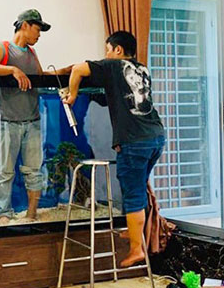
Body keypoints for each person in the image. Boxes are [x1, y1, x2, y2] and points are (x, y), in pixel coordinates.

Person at [63, 31, 165, 267]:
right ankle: (133, 230)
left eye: (108, 50)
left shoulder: (112, 65)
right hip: (156, 136)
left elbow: (78, 69)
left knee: (133, 192)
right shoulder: (142, 69)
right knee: (137, 185)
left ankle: (136, 249)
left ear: (118, 50)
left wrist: (73, 95)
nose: (106, 55)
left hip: (135, 140)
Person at [0, 9, 69, 222]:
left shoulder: (32, 53)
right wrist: (13, 70)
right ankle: (4, 213)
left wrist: (65, 71)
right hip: (8, 121)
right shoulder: (3, 48)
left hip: (33, 121)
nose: (39, 35)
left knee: (34, 170)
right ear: (25, 25)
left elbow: (40, 76)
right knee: (5, 171)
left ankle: (31, 213)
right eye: (37, 29)